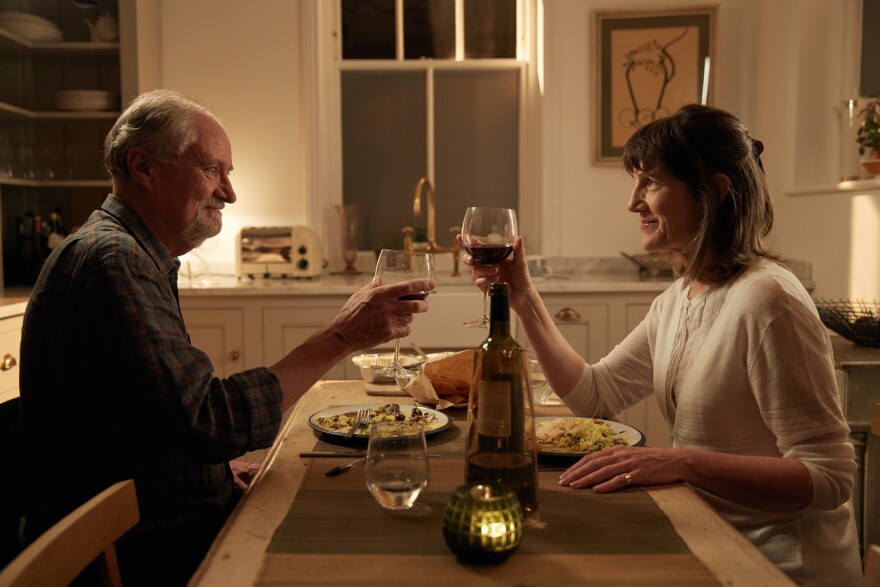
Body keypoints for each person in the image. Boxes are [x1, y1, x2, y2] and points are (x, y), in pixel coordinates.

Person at [18, 89, 433, 585]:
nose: (230, 193)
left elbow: (157, 417)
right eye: (213, 170)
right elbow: (208, 421)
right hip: (137, 551)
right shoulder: (116, 260)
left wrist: (211, 473)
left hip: (151, 514)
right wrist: (341, 337)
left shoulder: (128, 252)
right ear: (143, 167)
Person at [464, 104, 861, 585]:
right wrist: (523, 295)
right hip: (704, 536)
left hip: (776, 567)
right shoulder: (680, 298)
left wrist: (680, 461)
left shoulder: (769, 299)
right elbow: (595, 393)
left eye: (650, 183)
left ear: (713, 192)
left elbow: (829, 478)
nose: (634, 203)